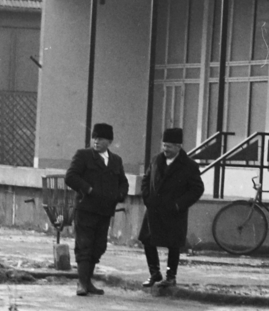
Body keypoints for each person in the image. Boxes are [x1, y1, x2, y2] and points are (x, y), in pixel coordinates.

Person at [64, 121, 128, 296]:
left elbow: (123, 182)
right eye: (94, 138)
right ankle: (82, 283)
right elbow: (70, 177)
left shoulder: (116, 160)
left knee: (98, 247)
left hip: (105, 211)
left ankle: (88, 281)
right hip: (86, 209)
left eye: (100, 139)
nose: (96, 142)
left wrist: (120, 195)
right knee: (84, 245)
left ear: (109, 141)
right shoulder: (83, 156)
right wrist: (88, 189)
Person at [139, 127, 205, 290]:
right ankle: (154, 273)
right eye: (164, 145)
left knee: (173, 244)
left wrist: (178, 205)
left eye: (169, 146)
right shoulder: (156, 160)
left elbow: (197, 189)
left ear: (178, 147)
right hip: (154, 209)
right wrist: (147, 198)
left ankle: (171, 276)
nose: (165, 149)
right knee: (147, 240)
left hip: (173, 211)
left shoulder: (189, 166)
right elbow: (146, 180)